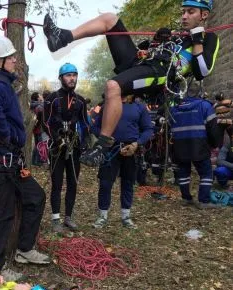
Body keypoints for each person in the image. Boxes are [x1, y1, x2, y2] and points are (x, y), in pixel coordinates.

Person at [43, 0, 219, 167]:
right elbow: (152, 50)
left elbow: (202, 72)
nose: (184, 16)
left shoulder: (209, 38)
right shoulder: (178, 35)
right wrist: (158, 41)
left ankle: (102, 146)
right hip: (144, 61)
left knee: (113, 86)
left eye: (190, 12)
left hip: (160, 74)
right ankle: (62, 37)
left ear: (203, 15)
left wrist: (197, 41)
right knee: (110, 19)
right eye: (183, 12)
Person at [0, 35, 50, 281]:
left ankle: (24, 249)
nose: (16, 60)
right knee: (1, 214)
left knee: (35, 197)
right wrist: (6, 134)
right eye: (11, 57)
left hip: (8, 162)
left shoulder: (2, 83)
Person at [92, 96, 153, 229]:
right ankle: (102, 216)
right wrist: (104, 138)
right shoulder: (107, 106)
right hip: (110, 150)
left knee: (128, 183)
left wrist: (137, 143)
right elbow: (95, 126)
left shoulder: (139, 107)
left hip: (131, 149)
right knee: (105, 183)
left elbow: (148, 129)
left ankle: (126, 216)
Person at [43, 63, 88, 233]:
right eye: (68, 75)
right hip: (57, 147)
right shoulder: (52, 99)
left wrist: (85, 143)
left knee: (73, 183)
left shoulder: (81, 101)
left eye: (74, 75)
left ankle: (68, 217)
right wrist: (56, 137)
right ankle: (56, 219)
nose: (72, 78)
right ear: (61, 78)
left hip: (74, 146)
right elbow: (45, 122)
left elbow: (85, 123)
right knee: (57, 183)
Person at [170, 92, 223, 209]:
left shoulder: (174, 109)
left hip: (179, 145)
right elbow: (213, 128)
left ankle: (186, 198)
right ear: (199, 93)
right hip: (199, 144)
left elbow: (169, 128)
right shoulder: (205, 106)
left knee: (183, 172)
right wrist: (215, 144)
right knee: (206, 172)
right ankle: (203, 201)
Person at [30, 92, 45, 166]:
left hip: (35, 128)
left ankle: (34, 160)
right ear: (37, 98)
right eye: (40, 95)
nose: (41, 96)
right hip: (38, 128)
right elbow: (39, 118)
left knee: (37, 144)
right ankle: (37, 161)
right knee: (39, 144)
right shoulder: (39, 106)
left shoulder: (33, 105)